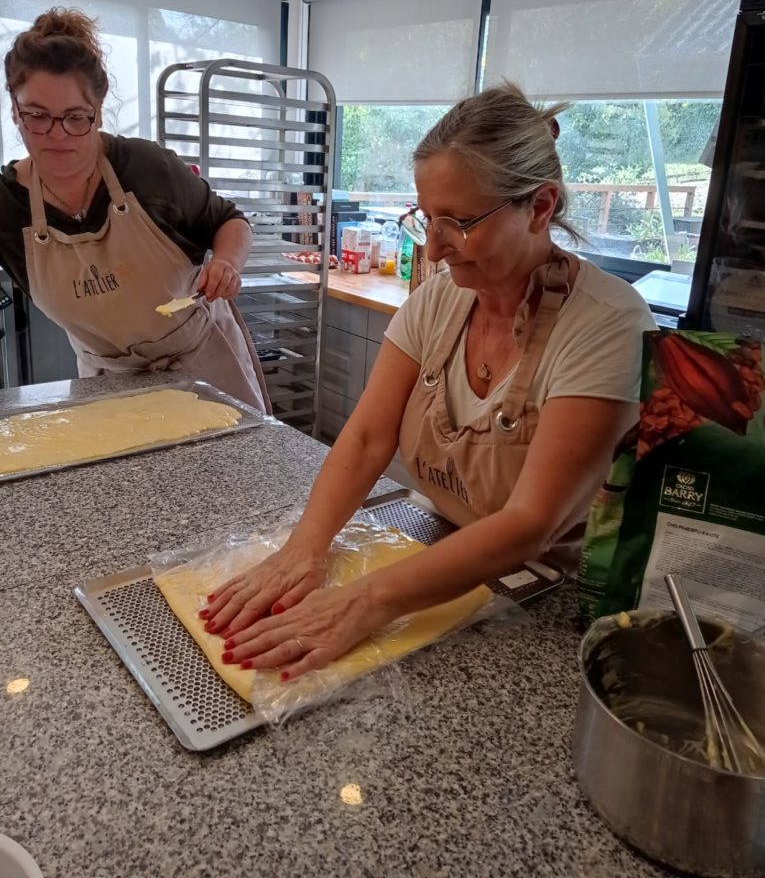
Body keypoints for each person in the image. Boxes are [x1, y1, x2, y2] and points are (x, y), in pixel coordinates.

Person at [201, 82, 655, 677]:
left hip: (548, 604)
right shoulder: (440, 300)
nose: (436, 249)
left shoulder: (607, 325)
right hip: (434, 551)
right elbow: (366, 438)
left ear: (540, 207)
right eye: (427, 219)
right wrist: (305, 548)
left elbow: (528, 524)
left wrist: (364, 601)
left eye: (459, 223)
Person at [0, 7, 268, 411]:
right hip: (109, 384)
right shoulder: (7, 208)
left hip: (205, 365)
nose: (56, 135)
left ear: (99, 106)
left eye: (75, 117)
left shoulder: (148, 169)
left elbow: (229, 220)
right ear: (14, 107)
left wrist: (227, 263)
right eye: (36, 116)